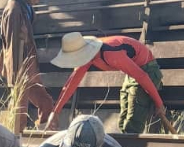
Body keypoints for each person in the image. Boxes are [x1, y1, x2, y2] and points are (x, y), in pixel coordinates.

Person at [46, 32, 174, 134]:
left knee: (133, 116)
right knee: (124, 114)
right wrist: (55, 112)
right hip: (133, 72)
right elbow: (71, 83)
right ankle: (127, 146)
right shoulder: (88, 57)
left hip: (147, 70)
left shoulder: (111, 53)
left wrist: (159, 104)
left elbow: (142, 76)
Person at [0, 0, 54, 135]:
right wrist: (16, 75)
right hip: (19, 67)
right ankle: (14, 143)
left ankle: (42, 135)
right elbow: (12, 44)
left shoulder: (26, 6)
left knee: (46, 103)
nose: (37, 1)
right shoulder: (14, 9)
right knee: (19, 111)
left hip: (29, 65)